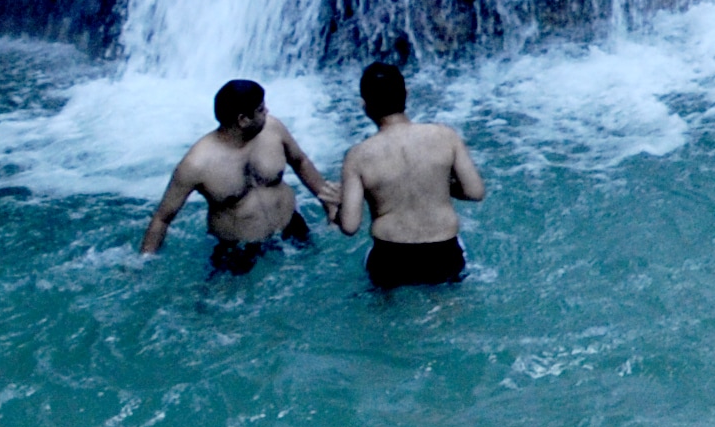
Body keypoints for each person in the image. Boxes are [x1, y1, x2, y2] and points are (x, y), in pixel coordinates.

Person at [327, 61, 485, 292]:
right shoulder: (445, 136)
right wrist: (437, 184)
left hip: (391, 257)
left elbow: (350, 226)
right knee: (447, 311)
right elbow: (475, 192)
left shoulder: (358, 156)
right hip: (443, 252)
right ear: (406, 93)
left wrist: (334, 208)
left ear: (365, 105)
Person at [140, 80, 328, 275]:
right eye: (261, 109)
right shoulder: (196, 164)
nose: (267, 112)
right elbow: (162, 218)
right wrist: (145, 264)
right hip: (237, 248)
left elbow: (301, 162)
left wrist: (327, 201)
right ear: (243, 120)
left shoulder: (273, 129)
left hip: (291, 227)